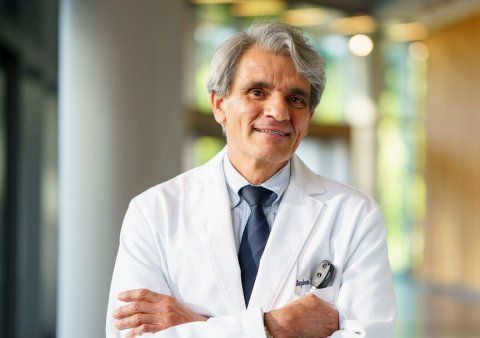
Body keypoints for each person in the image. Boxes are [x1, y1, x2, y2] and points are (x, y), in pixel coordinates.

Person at [106, 21, 396, 338]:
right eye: (257, 92)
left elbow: (370, 334)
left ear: (308, 117)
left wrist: (197, 327)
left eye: (296, 99)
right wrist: (275, 327)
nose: (279, 111)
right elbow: (130, 335)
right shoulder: (153, 213)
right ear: (220, 105)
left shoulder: (355, 215)